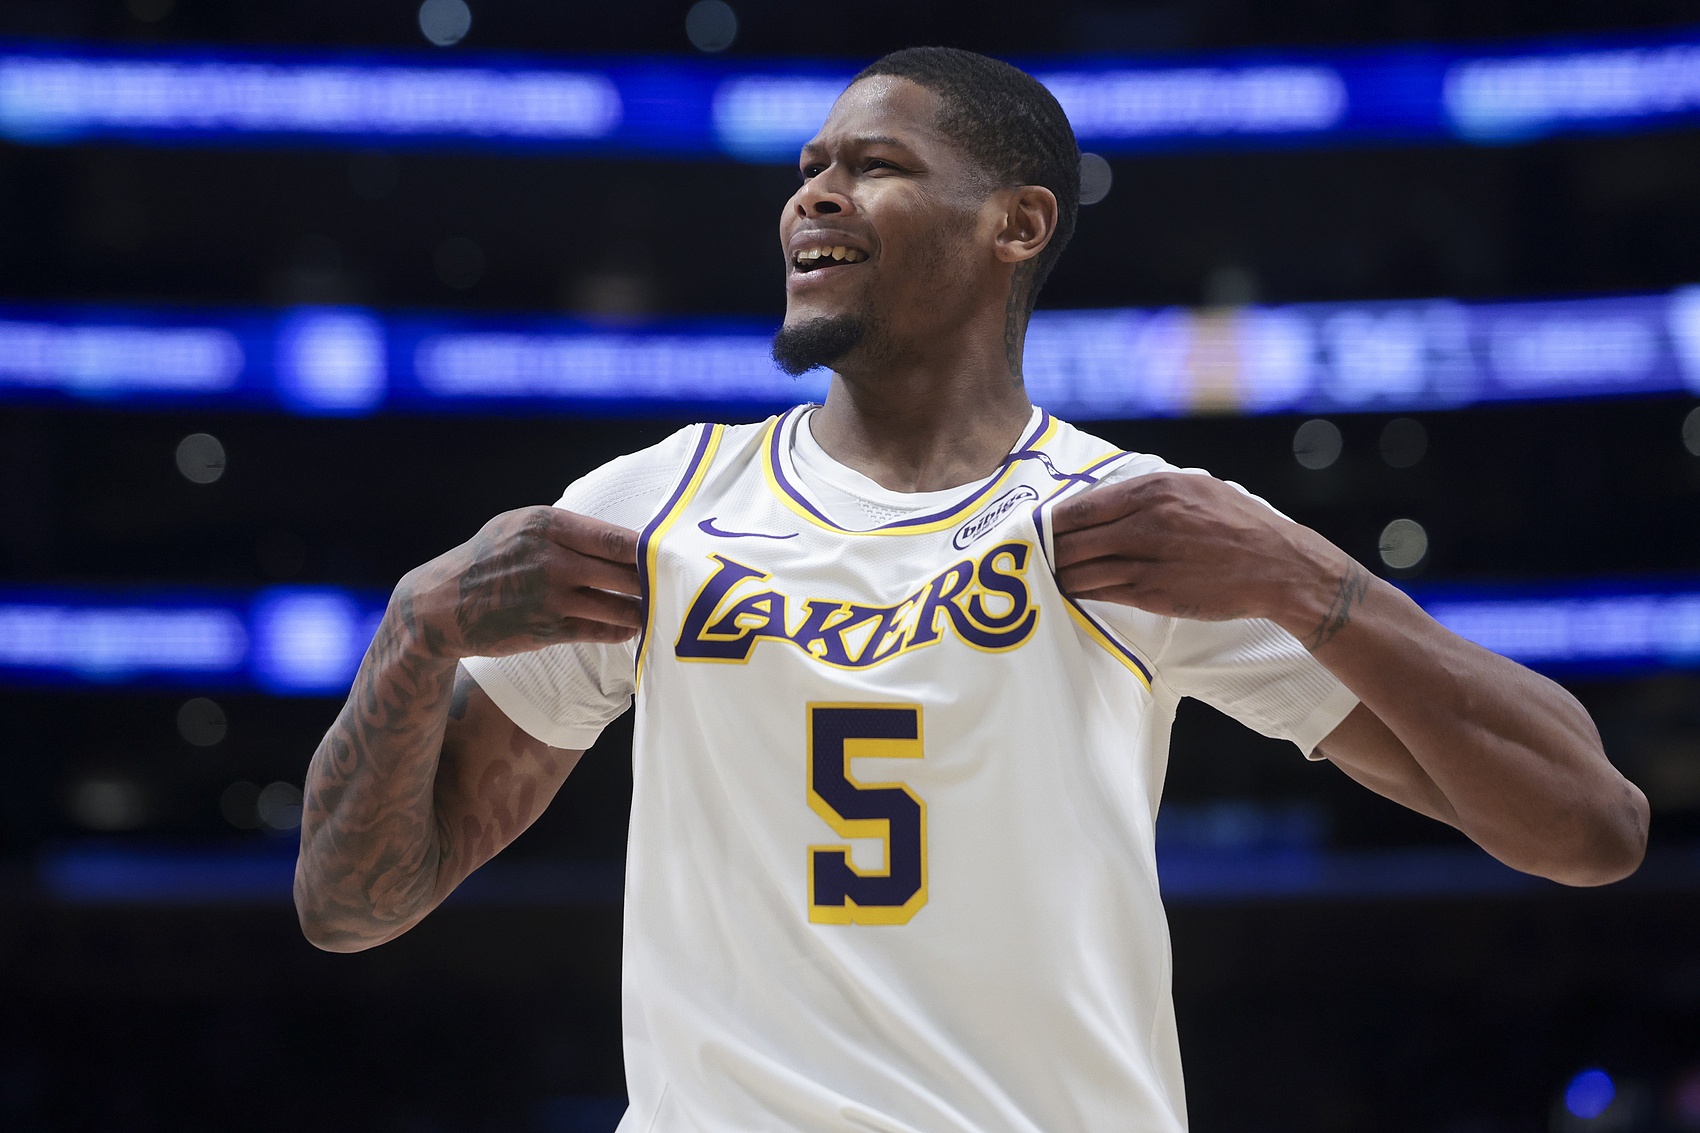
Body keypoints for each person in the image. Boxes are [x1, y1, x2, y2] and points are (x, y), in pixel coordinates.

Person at [294, 46, 1648, 1133]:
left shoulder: (1142, 525)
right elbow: (352, 906)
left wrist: (1312, 583)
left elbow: (1591, 829)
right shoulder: (650, 506)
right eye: (808, 169)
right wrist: (415, 630)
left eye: (873, 166)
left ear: (1019, 223)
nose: (813, 196)